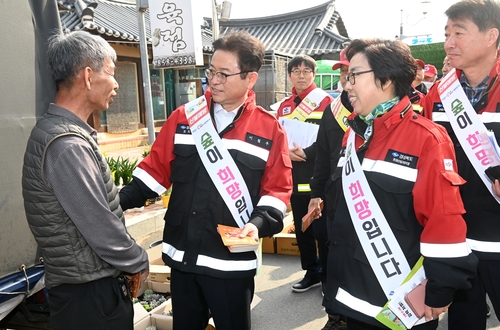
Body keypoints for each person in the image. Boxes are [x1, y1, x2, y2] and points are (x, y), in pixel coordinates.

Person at [119, 30, 293, 330]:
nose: (214, 81)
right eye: (211, 71)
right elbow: (152, 174)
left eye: (224, 74)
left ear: (250, 79)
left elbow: (277, 193)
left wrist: (258, 224)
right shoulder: (184, 117)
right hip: (182, 257)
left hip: (231, 264)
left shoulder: (269, 129)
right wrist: (111, 203)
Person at [323, 38, 477, 330]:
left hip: (399, 304)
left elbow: (444, 222)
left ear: (387, 79)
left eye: (354, 75)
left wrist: (441, 288)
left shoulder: (428, 139)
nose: (347, 85)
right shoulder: (354, 135)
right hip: (351, 296)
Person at [21, 30, 149, 330]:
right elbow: (101, 228)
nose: (116, 83)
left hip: (81, 289)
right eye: (111, 72)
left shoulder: (62, 133)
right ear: (88, 77)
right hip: (90, 297)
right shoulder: (67, 145)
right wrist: (138, 261)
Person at [421, 0, 500, 328]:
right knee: (465, 321)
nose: (448, 43)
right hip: (457, 235)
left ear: (491, 36)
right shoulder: (440, 91)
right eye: (446, 33)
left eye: (459, 33)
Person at [276, 55, 333, 295]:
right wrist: (284, 152)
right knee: (302, 226)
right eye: (296, 71)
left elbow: (330, 138)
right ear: (289, 75)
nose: (301, 75)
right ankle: (311, 271)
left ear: (314, 74)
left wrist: (307, 153)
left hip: (318, 174)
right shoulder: (284, 105)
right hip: (293, 173)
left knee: (322, 228)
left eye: (306, 71)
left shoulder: (326, 101)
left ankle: (328, 275)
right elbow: (278, 136)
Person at [309, 48, 353, 330]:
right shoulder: (333, 110)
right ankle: (334, 316)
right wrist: (316, 194)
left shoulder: (385, 108)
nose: (346, 78)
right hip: (332, 200)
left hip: (363, 202)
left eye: (352, 71)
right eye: (343, 72)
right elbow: (323, 158)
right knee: (331, 259)